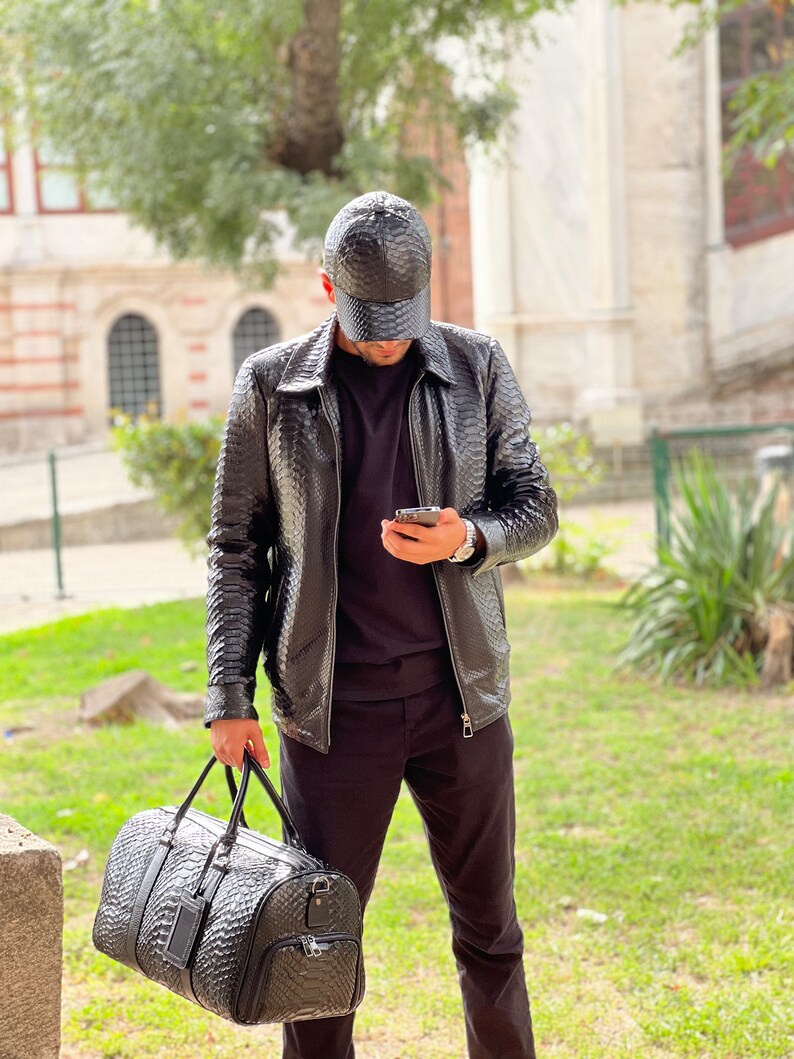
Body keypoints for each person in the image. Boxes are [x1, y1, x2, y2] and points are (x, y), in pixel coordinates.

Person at [205, 189, 558, 1059]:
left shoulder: (477, 368)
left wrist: (470, 536)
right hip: (331, 716)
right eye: (372, 320)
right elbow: (234, 548)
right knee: (313, 951)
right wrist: (228, 693)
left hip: (462, 705)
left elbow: (537, 505)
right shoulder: (271, 385)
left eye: (405, 317)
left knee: (492, 933)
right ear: (326, 287)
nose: (390, 338)